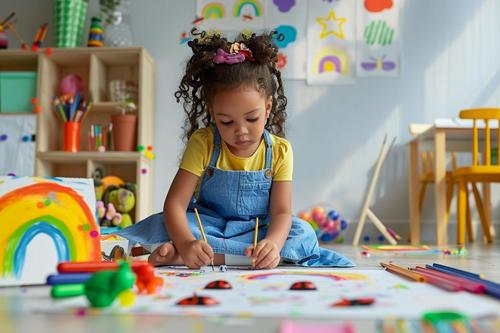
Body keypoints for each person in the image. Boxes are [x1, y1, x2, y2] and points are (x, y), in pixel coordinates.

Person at [117, 30, 353, 269]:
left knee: (300, 232)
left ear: (268, 107)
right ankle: (195, 252)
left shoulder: (281, 150)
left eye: (251, 119)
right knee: (167, 223)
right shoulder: (203, 142)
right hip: (209, 224)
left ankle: (182, 256)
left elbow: (281, 212)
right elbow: (175, 205)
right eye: (227, 122)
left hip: (255, 230)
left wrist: (272, 242)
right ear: (212, 113)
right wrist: (188, 242)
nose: (241, 131)